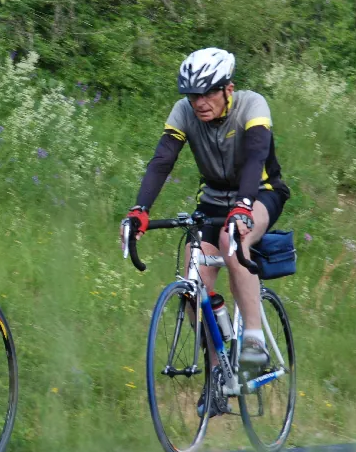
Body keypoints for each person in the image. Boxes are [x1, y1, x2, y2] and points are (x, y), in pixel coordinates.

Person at [123, 47, 290, 415]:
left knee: (234, 240)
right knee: (194, 277)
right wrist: (140, 210)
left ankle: (252, 342)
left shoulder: (253, 106)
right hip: (214, 199)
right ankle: (218, 374)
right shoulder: (184, 112)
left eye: (207, 93)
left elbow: (256, 157)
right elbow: (163, 159)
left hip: (260, 192)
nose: (198, 102)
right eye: (192, 94)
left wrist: (244, 207)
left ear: (228, 88)